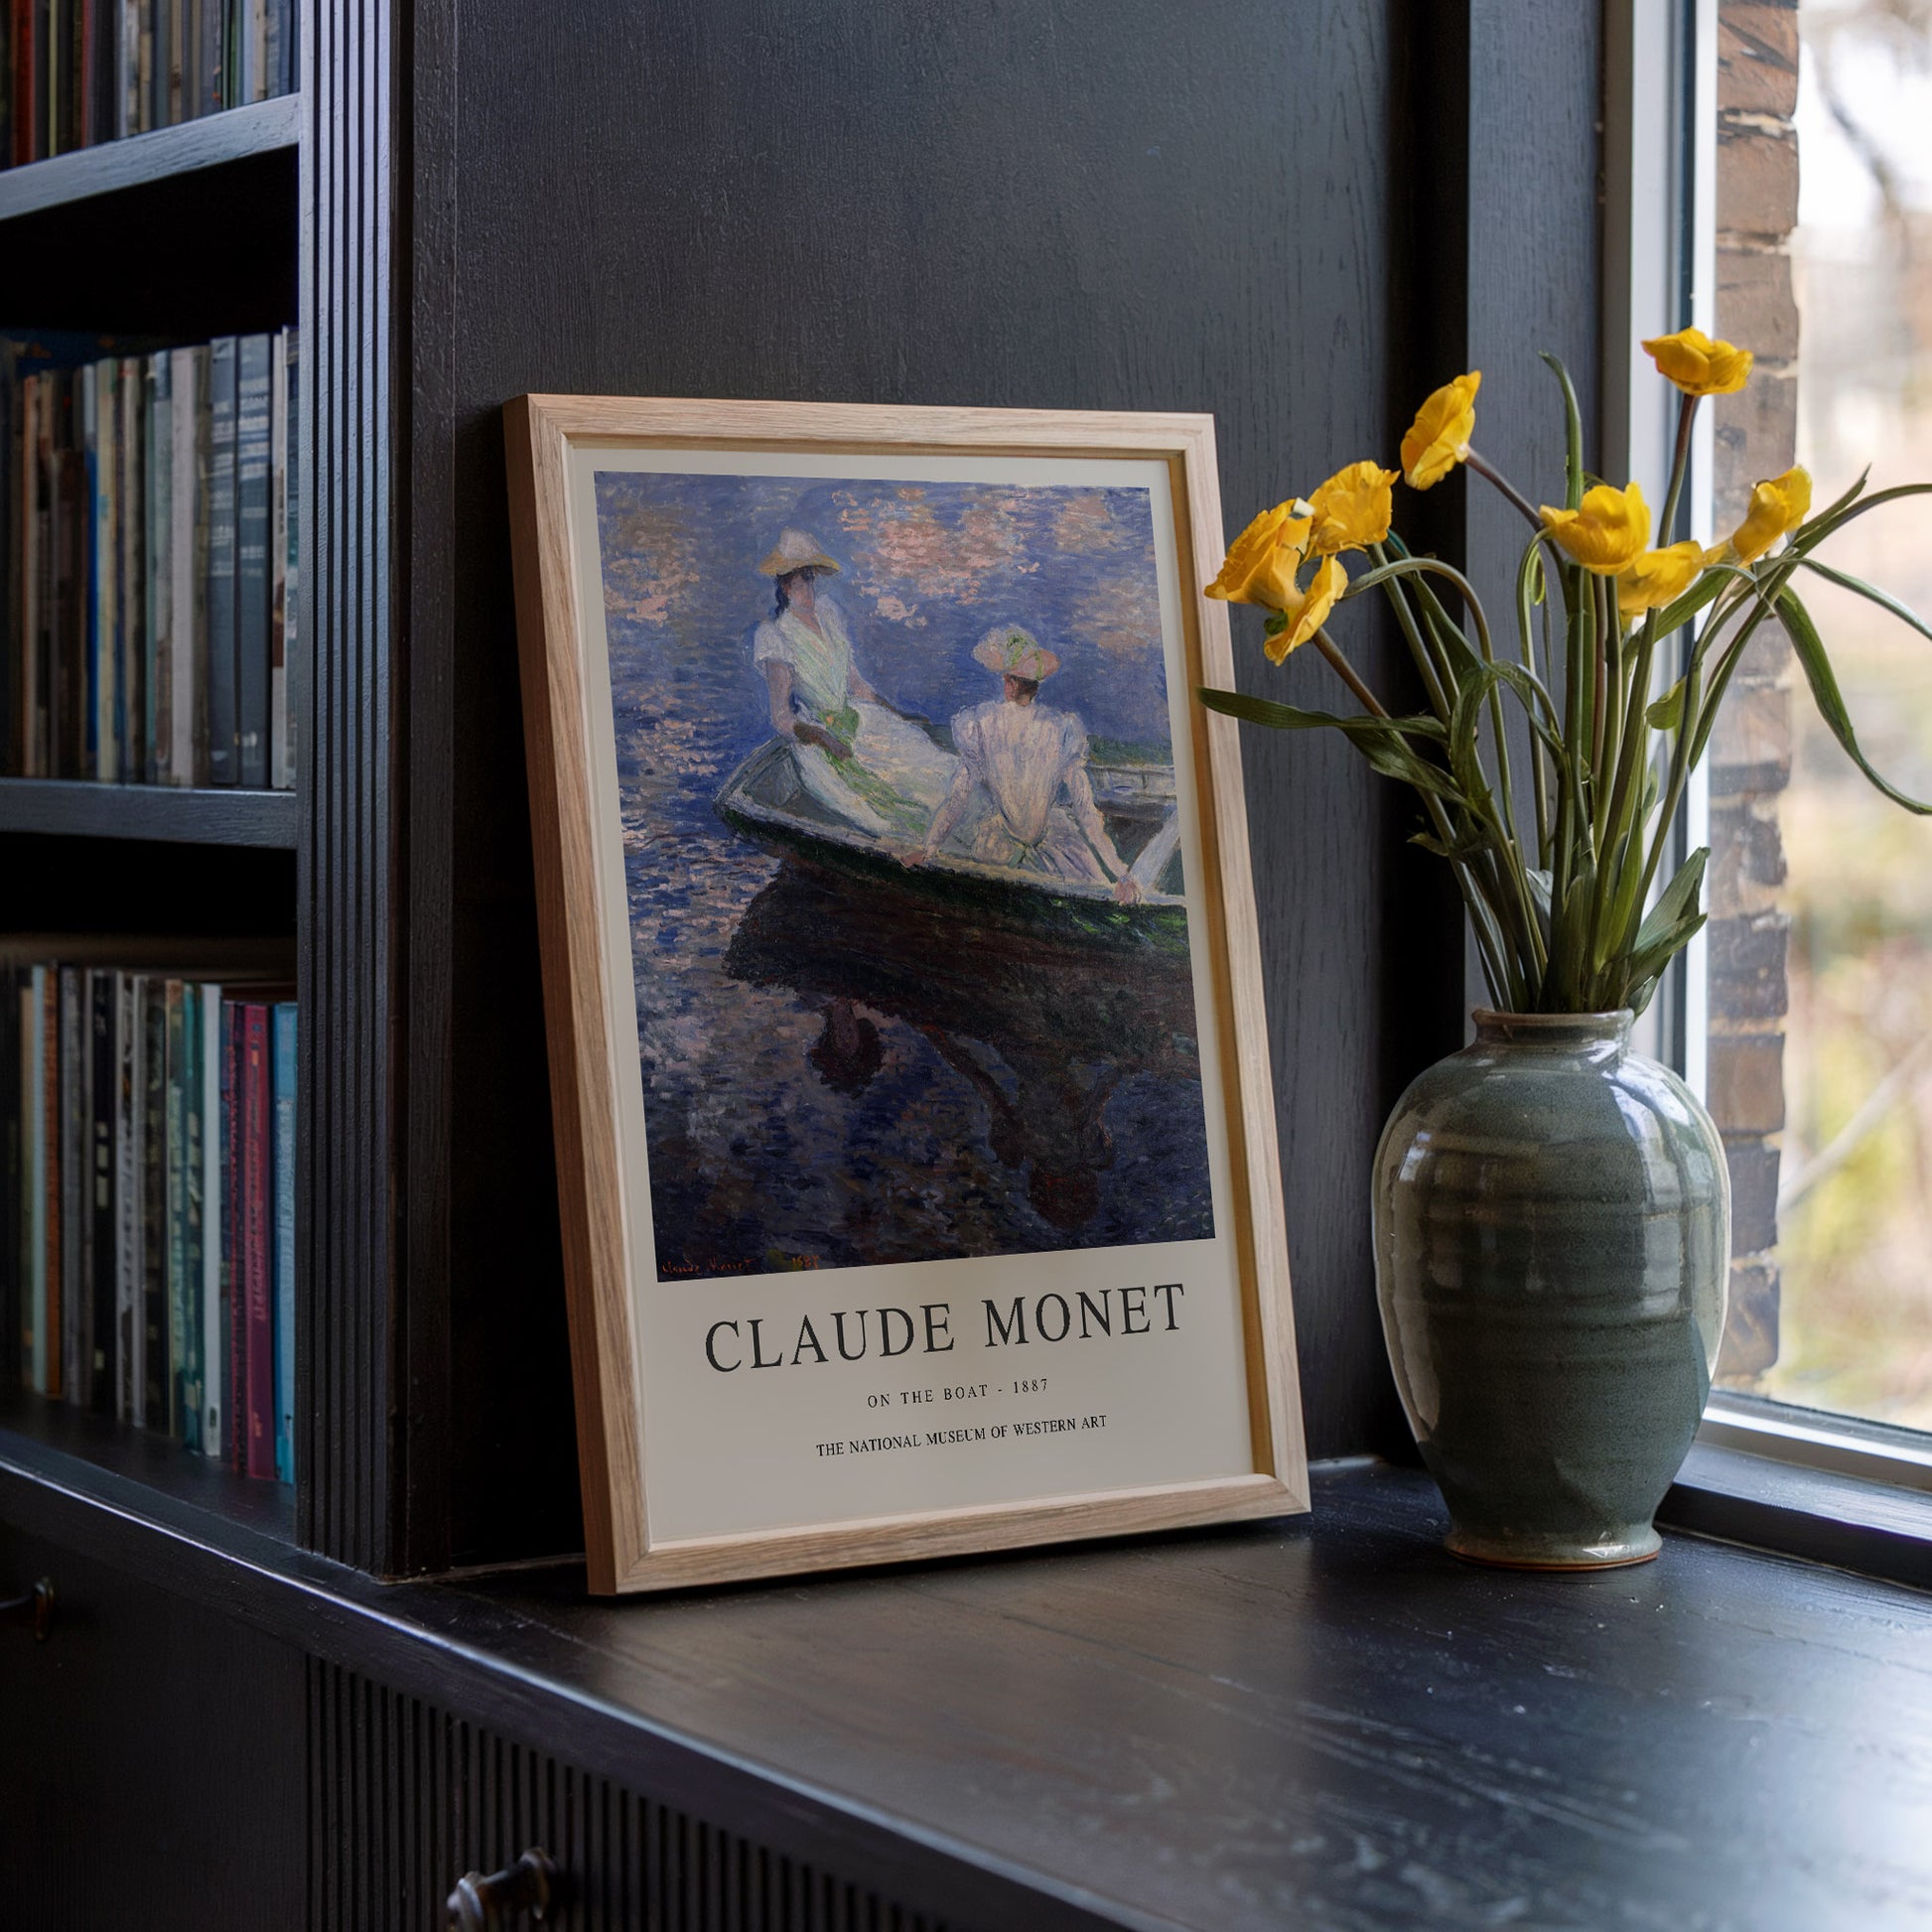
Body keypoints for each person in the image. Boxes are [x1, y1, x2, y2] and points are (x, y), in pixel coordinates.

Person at [905, 626, 1142, 903]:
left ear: (1010, 683)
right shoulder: (1062, 728)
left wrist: (928, 848)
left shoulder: (979, 723)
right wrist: (1121, 875)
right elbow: (1086, 811)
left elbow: (958, 797)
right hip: (1048, 844)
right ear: (1035, 684)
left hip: (1000, 845)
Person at [753, 528, 953, 838]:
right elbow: (781, 719)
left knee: (924, 764)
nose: (809, 586)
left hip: (856, 720)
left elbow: (857, 684)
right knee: (878, 810)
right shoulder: (775, 637)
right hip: (819, 738)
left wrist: (898, 714)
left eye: (811, 577)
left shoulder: (829, 614)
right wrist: (825, 740)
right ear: (785, 584)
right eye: (801, 579)